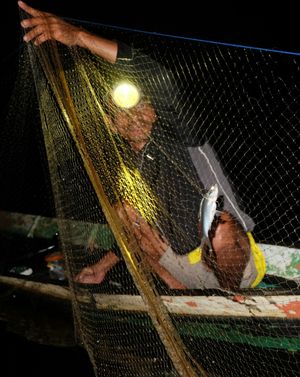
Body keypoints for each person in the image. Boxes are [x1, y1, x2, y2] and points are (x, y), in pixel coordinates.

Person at [18, 1, 266, 290]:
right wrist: (100, 268)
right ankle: (175, 286)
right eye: (121, 112)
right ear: (112, 126)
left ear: (155, 112)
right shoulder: (131, 172)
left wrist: (79, 37)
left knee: (221, 228)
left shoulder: (182, 139)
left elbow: (159, 79)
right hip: (182, 268)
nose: (133, 116)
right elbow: (131, 234)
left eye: (140, 106)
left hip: (234, 268)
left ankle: (231, 296)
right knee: (125, 211)